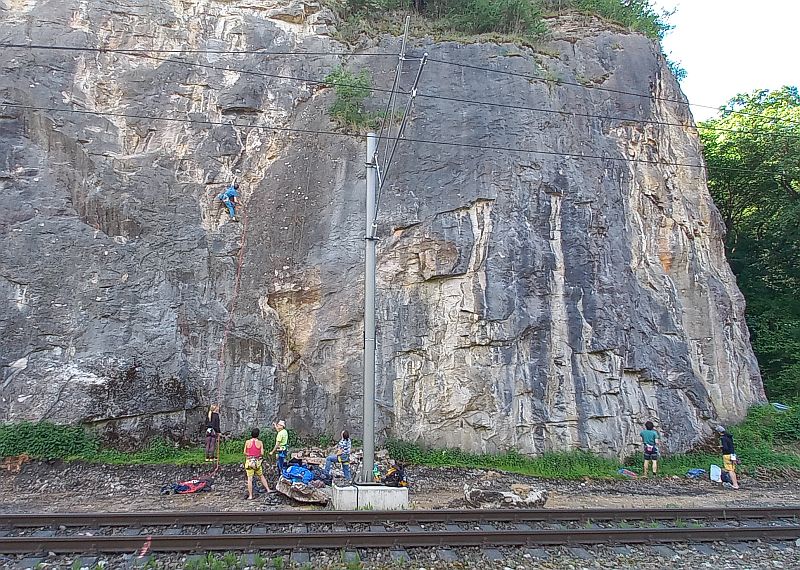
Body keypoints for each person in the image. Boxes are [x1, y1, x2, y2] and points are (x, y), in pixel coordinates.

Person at [243, 428, 272, 499]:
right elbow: (262, 453)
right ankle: (268, 489)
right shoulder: (260, 443)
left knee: (250, 479)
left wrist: (250, 454)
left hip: (249, 462)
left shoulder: (247, 442)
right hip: (257, 463)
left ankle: (250, 495)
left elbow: (244, 452)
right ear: (258, 435)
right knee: (261, 476)